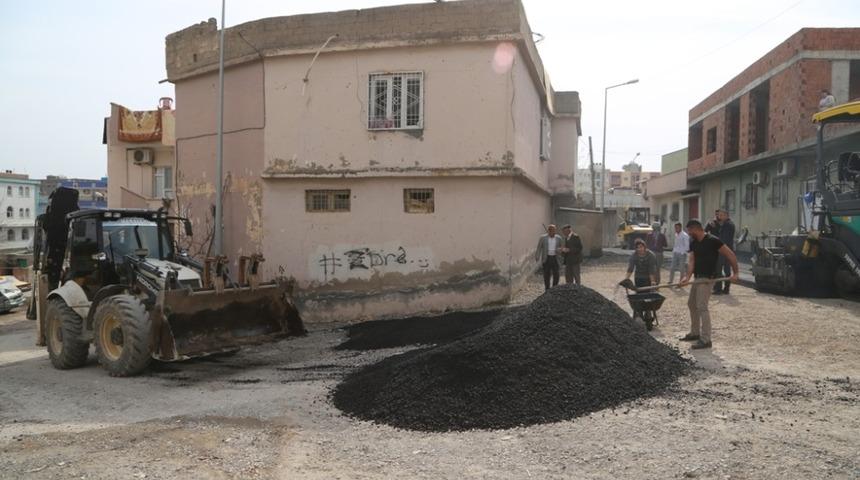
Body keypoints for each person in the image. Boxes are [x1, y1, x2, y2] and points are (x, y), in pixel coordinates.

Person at [679, 219, 739, 350]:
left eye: (690, 231)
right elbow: (692, 260)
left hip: (708, 278)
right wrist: (687, 277)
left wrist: (735, 273)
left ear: (696, 229)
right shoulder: (694, 242)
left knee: (702, 306)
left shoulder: (713, 240)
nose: (689, 234)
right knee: (691, 304)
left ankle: (706, 340)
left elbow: (730, 255)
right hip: (698, 277)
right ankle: (695, 333)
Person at [714, 209, 736, 295]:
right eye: (719, 215)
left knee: (718, 269)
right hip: (728, 250)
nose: (719, 217)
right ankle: (726, 289)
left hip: (724, 250)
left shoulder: (727, 225)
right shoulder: (728, 224)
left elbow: (724, 239)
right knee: (727, 271)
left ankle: (719, 289)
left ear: (726, 215)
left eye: (721, 215)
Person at [535, 224, 563, 291]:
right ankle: (547, 289)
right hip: (546, 258)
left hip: (555, 258)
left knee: (556, 274)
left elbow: (561, 247)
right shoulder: (543, 238)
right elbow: (539, 247)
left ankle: (554, 288)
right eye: (551, 230)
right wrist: (537, 256)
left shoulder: (559, 238)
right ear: (548, 231)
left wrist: (560, 251)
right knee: (546, 274)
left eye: (554, 230)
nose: (553, 232)